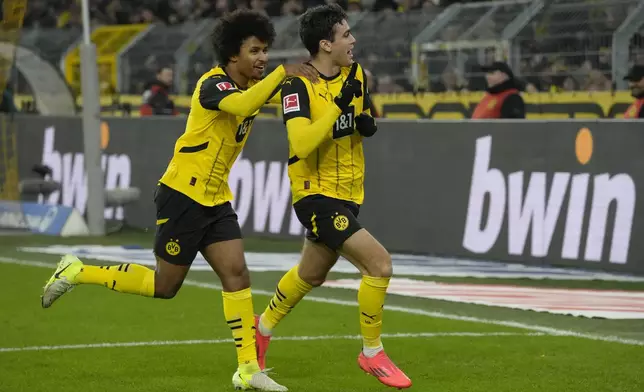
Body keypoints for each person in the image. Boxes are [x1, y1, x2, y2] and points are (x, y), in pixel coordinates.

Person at [40, 9, 318, 392]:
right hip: (182, 195)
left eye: (265, 51)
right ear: (232, 55)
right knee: (165, 286)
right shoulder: (213, 85)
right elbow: (242, 105)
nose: (262, 58)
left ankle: (247, 369)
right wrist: (282, 74)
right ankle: (77, 271)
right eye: (255, 50)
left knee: (236, 273)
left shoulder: (252, 88)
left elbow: (271, 100)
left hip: (216, 198)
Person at [253, 4, 412, 390]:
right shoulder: (297, 84)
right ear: (325, 44)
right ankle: (372, 352)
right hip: (314, 194)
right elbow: (302, 142)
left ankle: (260, 329)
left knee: (311, 274)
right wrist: (341, 106)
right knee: (379, 264)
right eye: (345, 35)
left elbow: (359, 116)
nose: (353, 40)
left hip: (350, 191)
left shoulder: (356, 74)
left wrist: (364, 122)